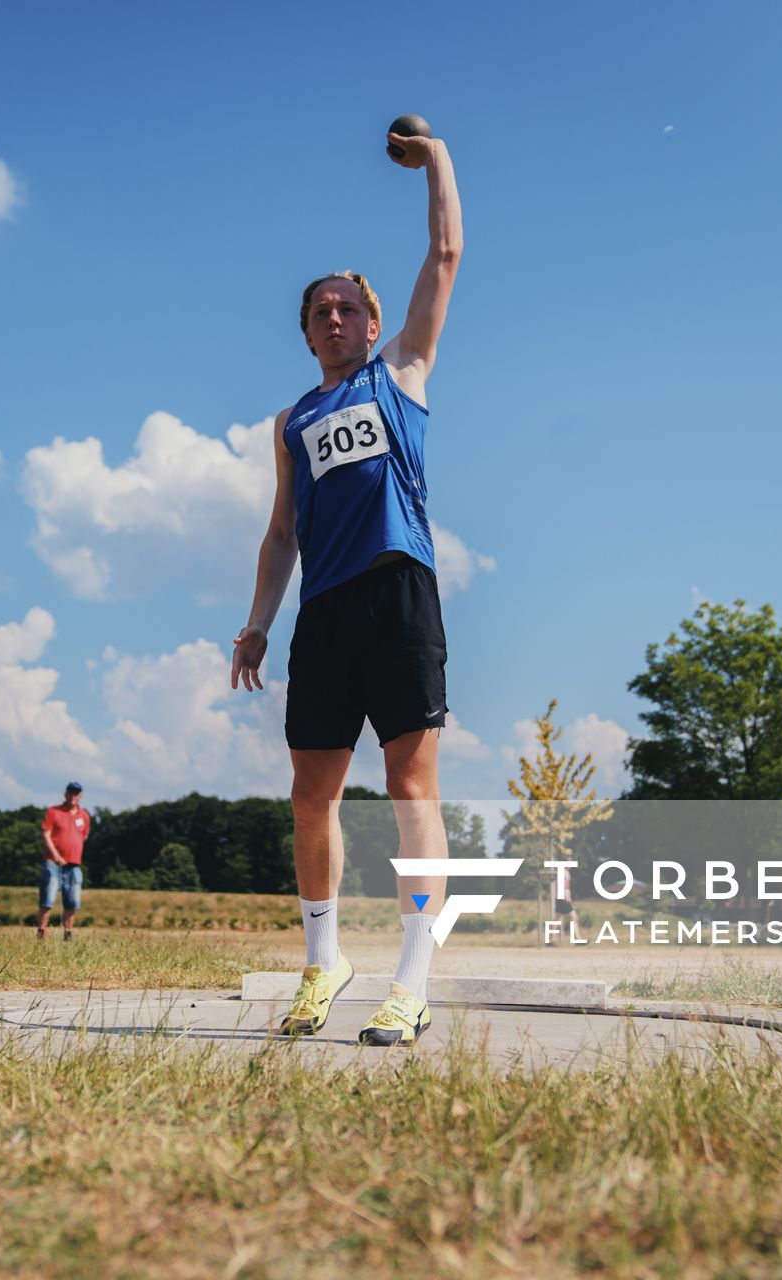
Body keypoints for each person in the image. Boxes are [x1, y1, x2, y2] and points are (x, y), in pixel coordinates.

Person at [231, 120, 462, 1047]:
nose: (333, 318)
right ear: (306, 332)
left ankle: (412, 981)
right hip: (322, 614)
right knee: (309, 794)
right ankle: (324, 962)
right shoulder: (292, 420)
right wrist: (255, 624)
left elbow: (445, 252)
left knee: (412, 787)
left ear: (372, 324)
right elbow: (283, 529)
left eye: (346, 308)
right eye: (318, 311)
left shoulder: (398, 374)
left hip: (397, 591)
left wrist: (437, 157)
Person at [38, 782, 90, 941]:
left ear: (80, 796)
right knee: (47, 899)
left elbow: (84, 836)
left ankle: (68, 934)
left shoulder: (84, 816)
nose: (73, 796)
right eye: (70, 793)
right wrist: (56, 856)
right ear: (65, 794)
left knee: (72, 902)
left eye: (76, 793)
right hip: (53, 863)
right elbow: (46, 835)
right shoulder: (53, 812)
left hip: (74, 864)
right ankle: (42, 932)